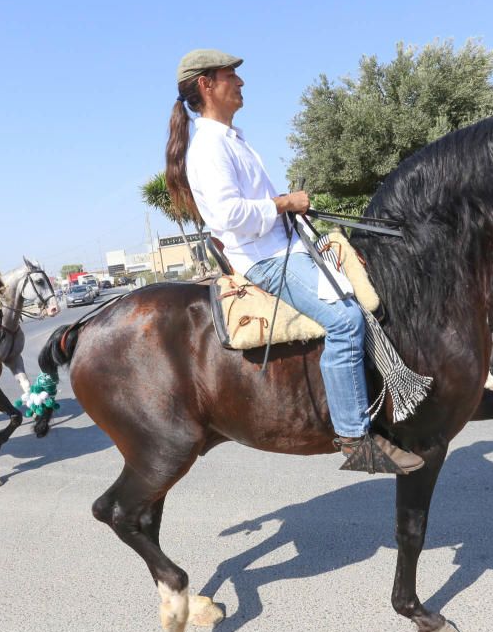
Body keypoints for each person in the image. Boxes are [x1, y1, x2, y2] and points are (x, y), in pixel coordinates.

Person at [164, 49, 423, 473]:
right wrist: (284, 202)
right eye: (232, 76)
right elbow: (228, 217)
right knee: (345, 321)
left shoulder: (231, 139)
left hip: (286, 246)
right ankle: (355, 437)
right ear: (207, 85)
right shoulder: (208, 147)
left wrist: (291, 210)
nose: (241, 83)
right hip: (264, 260)